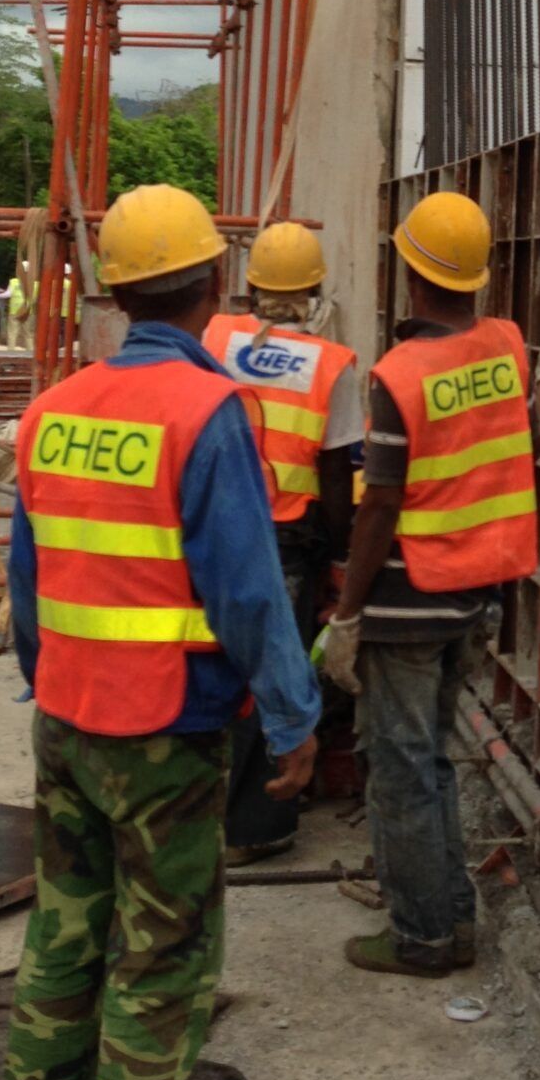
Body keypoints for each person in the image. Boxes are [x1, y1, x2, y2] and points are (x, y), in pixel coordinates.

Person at [3, 184, 321, 1080]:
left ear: (116, 294)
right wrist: (292, 720)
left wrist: (50, 682)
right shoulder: (209, 410)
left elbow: (27, 583)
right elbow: (248, 594)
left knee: (61, 934)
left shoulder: (51, 411)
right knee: (160, 964)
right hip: (170, 731)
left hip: (67, 717)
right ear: (212, 283)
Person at [321, 190, 540, 977]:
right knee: (429, 761)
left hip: (405, 603)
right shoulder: (504, 345)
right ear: (477, 276)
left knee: (402, 776)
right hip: (474, 598)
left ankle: (424, 936)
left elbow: (380, 504)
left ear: (408, 271)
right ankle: (449, 919)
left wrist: (347, 612)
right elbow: (533, 432)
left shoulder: (398, 374)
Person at [203, 222, 362, 863]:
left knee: (214, 666)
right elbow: (336, 470)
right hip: (288, 541)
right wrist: (344, 558)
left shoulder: (213, 338)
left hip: (215, 526)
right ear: (317, 288)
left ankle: (201, 813)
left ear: (251, 287)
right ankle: (259, 826)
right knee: (276, 678)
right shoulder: (332, 365)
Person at [5, 270, 32, 352]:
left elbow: (8, 294)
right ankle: (30, 353)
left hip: (15, 311)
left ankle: (11, 353)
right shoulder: (32, 282)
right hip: (27, 312)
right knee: (28, 335)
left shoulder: (13, 281)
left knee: (12, 334)